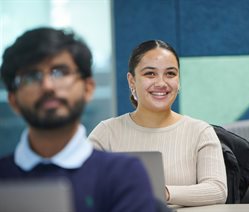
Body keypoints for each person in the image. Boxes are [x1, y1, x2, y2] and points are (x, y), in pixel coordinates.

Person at [0, 27, 157, 212]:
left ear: (88, 88)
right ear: (13, 100)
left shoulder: (124, 175)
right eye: (32, 76)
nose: (48, 86)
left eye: (60, 72)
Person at [88, 40, 227, 206]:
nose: (161, 83)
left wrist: (163, 192)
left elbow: (217, 190)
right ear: (132, 81)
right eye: (150, 74)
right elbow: (83, 187)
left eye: (170, 74)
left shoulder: (200, 131)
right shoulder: (106, 132)